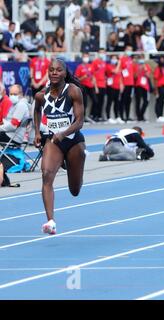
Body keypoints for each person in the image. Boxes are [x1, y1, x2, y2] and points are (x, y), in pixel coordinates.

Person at [33, 58, 86, 235]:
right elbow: (36, 110)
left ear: (65, 73)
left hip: (73, 141)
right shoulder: (41, 95)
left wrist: (63, 133)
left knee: (75, 190)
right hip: (53, 142)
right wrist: (37, 133)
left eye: (58, 70)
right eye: (51, 70)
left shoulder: (73, 91)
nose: (54, 73)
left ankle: (70, 163)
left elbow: (80, 122)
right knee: (46, 175)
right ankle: (50, 221)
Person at [153, 55, 164, 122]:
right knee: (158, 101)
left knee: (162, 101)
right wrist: (156, 90)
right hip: (159, 87)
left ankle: (161, 116)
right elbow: (155, 79)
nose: (163, 61)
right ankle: (158, 116)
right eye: (161, 59)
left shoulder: (163, 68)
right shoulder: (158, 69)